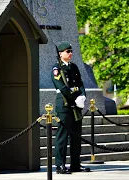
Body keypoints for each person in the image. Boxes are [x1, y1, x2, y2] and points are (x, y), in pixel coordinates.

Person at [51, 42, 90, 174]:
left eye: (71, 51)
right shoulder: (57, 69)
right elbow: (61, 87)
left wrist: (83, 96)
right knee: (62, 137)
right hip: (64, 105)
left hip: (76, 106)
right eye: (67, 51)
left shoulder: (74, 67)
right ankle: (60, 165)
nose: (70, 53)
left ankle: (75, 164)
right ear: (60, 53)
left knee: (76, 136)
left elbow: (80, 84)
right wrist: (75, 98)